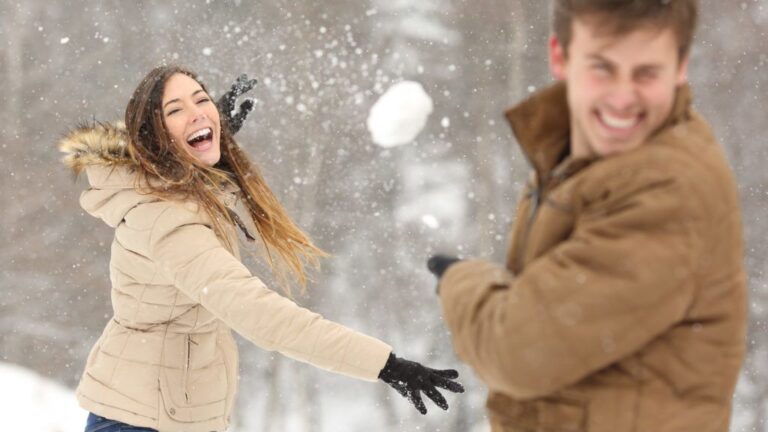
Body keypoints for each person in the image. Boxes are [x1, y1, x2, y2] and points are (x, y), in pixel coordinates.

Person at [60, 65, 464, 432]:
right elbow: (260, 314)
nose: (198, 112)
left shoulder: (173, 190)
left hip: (163, 413)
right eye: (175, 110)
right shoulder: (169, 221)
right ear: (154, 136)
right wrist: (384, 364)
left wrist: (200, 147)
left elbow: (169, 170)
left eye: (201, 100)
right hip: (143, 419)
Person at [428, 1, 747, 431]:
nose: (622, 97)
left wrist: (460, 281)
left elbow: (519, 351)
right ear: (560, 56)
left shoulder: (669, 190)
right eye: (602, 68)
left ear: (680, 67)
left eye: (646, 73)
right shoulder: (580, 161)